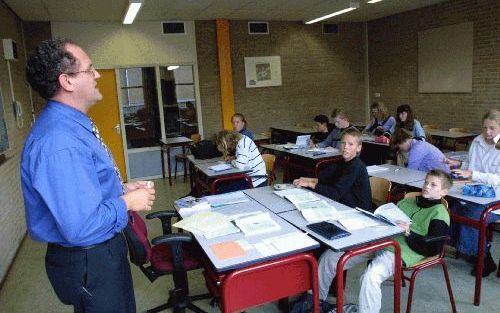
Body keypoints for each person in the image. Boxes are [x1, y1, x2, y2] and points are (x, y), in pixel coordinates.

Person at [21, 39, 156, 313]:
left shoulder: (72, 126)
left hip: (100, 252)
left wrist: (121, 189)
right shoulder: (60, 141)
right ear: (67, 82)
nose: (96, 75)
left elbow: (85, 185)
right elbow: (82, 226)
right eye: (89, 69)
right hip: (90, 258)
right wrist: (127, 203)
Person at [292, 170, 452, 313]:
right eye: (426, 182)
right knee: (331, 257)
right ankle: (314, 301)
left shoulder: (439, 212)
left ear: (443, 192)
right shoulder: (408, 201)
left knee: (371, 275)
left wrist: (409, 233)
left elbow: (434, 247)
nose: (427, 186)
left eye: (433, 185)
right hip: (379, 238)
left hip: (402, 250)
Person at [445, 109, 500, 276]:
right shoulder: (477, 141)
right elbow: (469, 164)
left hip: (496, 198)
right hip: (475, 193)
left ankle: (485, 260)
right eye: (484, 128)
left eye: (492, 128)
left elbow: (497, 179)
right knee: (452, 210)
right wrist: (456, 164)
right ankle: (473, 251)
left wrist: (473, 174)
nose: (487, 132)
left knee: (471, 217)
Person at [294, 128, 371, 211]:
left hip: (357, 211)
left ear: (359, 148)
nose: (345, 147)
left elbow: (335, 193)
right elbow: (330, 180)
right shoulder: (342, 162)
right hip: (344, 203)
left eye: (350, 144)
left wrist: (309, 184)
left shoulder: (355, 165)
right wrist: (308, 180)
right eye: (343, 143)